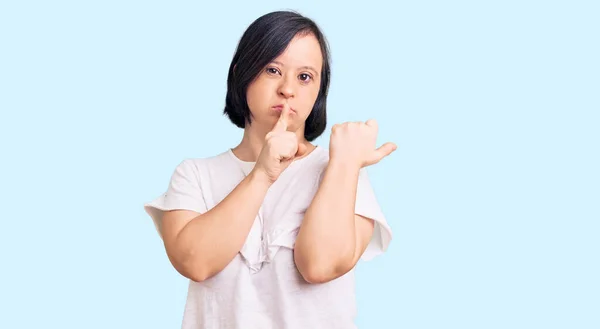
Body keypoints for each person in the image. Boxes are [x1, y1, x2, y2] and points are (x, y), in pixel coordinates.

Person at [144, 10, 397, 329]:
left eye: (305, 77)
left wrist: (344, 163)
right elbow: (195, 261)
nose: (288, 89)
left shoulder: (342, 171)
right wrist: (262, 174)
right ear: (242, 73)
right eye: (272, 70)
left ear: (319, 89)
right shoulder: (194, 174)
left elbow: (320, 265)